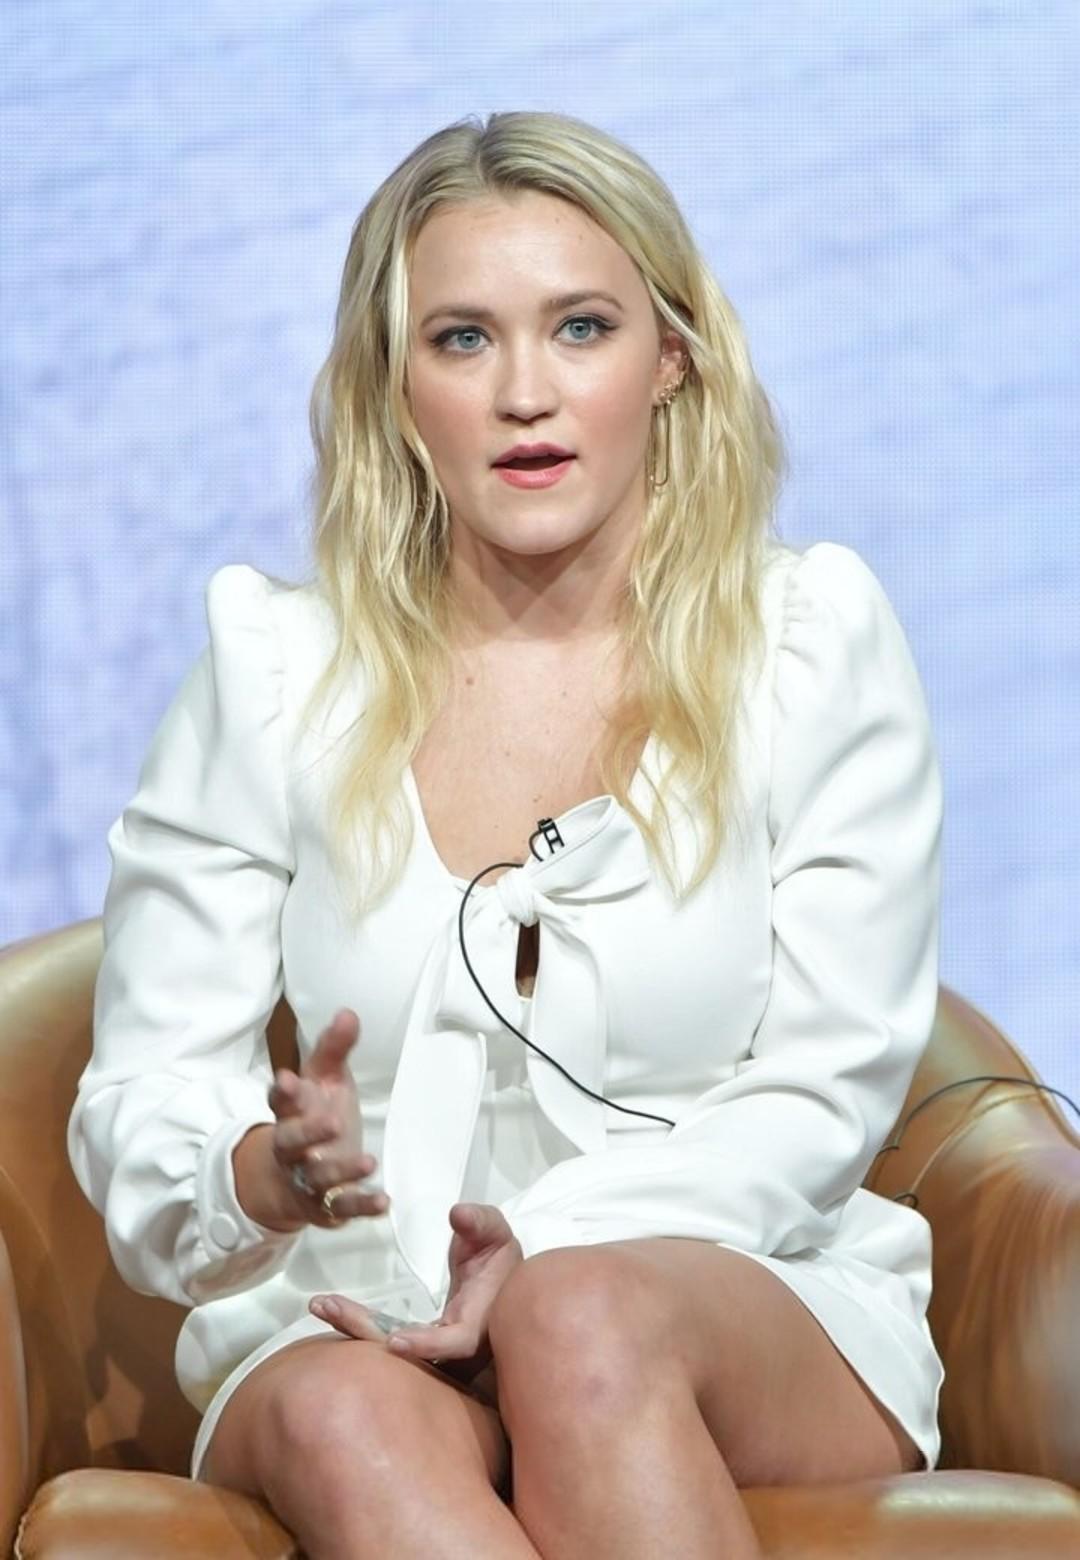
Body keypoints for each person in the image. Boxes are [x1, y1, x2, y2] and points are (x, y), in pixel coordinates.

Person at [68, 109, 945, 1560]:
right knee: (345, 1416)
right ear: (395, 387)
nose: (526, 392)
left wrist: (541, 1251)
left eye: (581, 328)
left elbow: (827, 1083)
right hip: (362, 1296)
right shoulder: (274, 671)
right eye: (462, 340)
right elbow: (145, 1090)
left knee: (577, 1318)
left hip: (732, 1275)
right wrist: (262, 1171)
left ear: (670, 358)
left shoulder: (809, 640)